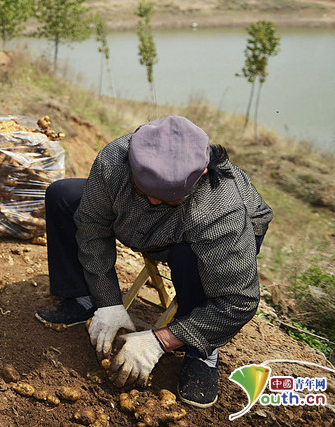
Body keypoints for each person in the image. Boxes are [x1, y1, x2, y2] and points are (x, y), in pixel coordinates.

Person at [35, 116, 272, 409]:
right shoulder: (116, 158)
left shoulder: (218, 210)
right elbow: (93, 226)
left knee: (192, 257)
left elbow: (239, 301)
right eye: (142, 188)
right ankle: (81, 298)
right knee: (64, 195)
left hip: (208, 241)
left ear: (201, 175)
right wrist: (108, 302)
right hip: (138, 223)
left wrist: (160, 340)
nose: (153, 200)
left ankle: (202, 351)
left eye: (166, 198)